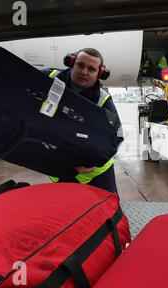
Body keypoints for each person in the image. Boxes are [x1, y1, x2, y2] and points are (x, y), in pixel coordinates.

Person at [42, 48, 120, 193]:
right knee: (66, 211)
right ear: (71, 63)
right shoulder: (50, 78)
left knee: (107, 212)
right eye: (80, 65)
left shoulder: (104, 100)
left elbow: (117, 135)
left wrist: (96, 161)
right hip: (60, 167)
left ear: (99, 74)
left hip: (97, 174)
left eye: (91, 69)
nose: (84, 72)